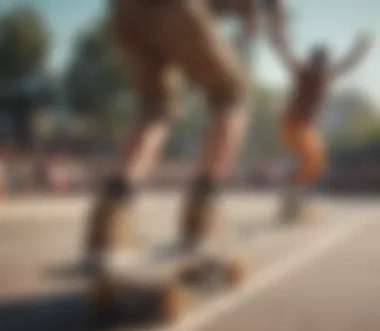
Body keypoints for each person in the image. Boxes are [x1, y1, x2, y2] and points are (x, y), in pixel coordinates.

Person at [85, 0, 289, 263]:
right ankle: (201, 214)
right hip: (176, 8)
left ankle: (111, 219)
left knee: (154, 108)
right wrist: (266, 28)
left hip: (123, 11)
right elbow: (269, 14)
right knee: (231, 94)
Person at [270, 29, 373, 222]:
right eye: (318, 65)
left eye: (323, 66)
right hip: (292, 125)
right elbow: (285, 53)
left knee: (317, 162)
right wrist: (276, 34)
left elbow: (346, 65)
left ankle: (293, 195)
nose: (321, 70)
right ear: (313, 62)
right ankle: (292, 195)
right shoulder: (303, 72)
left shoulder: (325, 74)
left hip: (305, 128)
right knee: (310, 159)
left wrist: (360, 50)